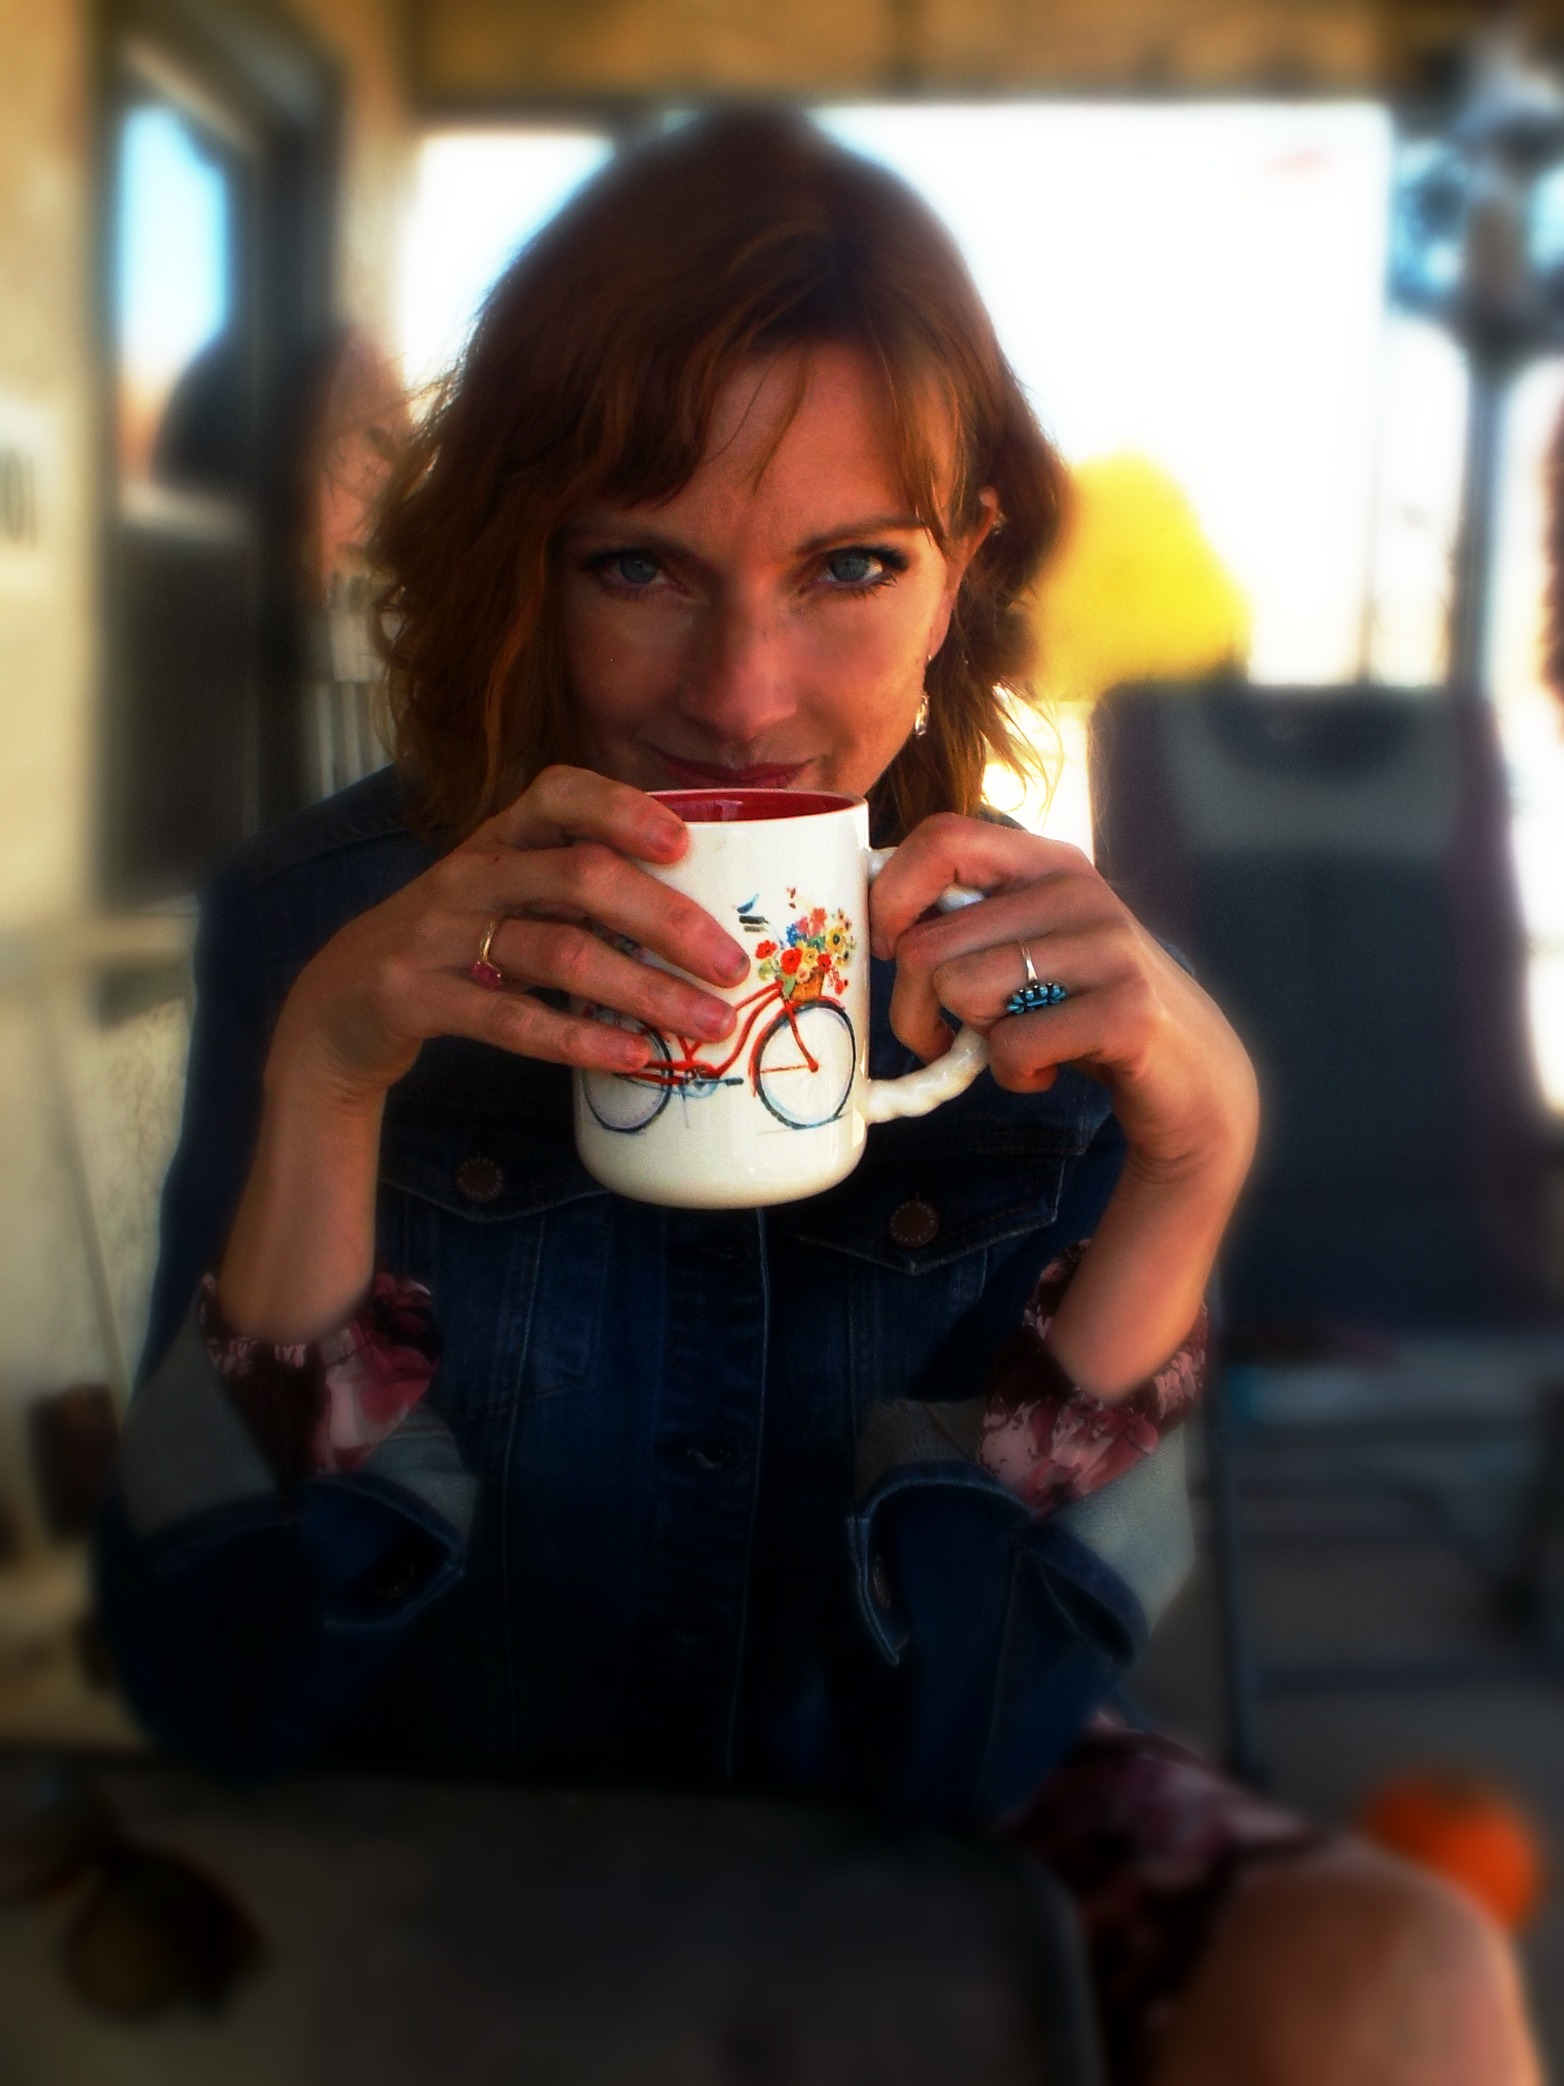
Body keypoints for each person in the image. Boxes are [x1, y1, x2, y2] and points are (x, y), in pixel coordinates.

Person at [97, 114, 1539, 2086]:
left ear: (961, 576)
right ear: (525, 568)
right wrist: (331, 1087)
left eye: (850, 566)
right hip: (463, 1781)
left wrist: (1184, 1172)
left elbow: (980, 1730)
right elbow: (227, 1677)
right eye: (640, 564)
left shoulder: (1039, 993)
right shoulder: (328, 932)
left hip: (904, 1801)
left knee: (1400, 1968)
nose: (745, 694)